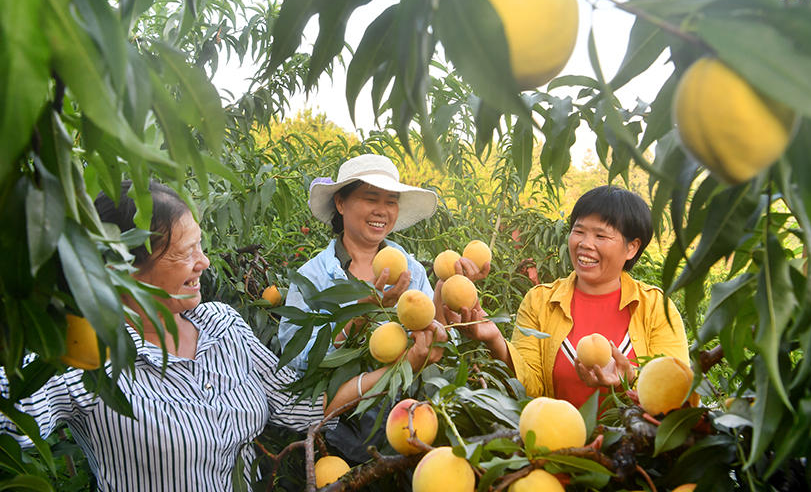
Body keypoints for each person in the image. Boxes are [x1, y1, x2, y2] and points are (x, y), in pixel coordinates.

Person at [0, 180, 443, 491]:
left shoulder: (222, 325)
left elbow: (306, 406)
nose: (205, 262)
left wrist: (403, 364)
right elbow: (11, 417)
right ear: (123, 270)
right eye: (184, 252)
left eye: (200, 244)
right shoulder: (86, 356)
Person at [278, 154, 463, 463]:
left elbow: (435, 341)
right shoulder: (312, 278)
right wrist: (360, 315)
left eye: (391, 201)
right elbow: (300, 362)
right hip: (337, 443)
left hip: (407, 431)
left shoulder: (412, 272)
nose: (382, 210)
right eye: (370, 198)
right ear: (340, 203)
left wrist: (446, 295)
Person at [444, 185, 688, 409]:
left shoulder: (656, 309)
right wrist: (496, 340)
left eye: (601, 236)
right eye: (578, 231)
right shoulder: (540, 301)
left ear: (632, 247)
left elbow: (677, 391)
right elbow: (530, 389)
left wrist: (630, 383)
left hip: (633, 440)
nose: (585, 243)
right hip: (555, 438)